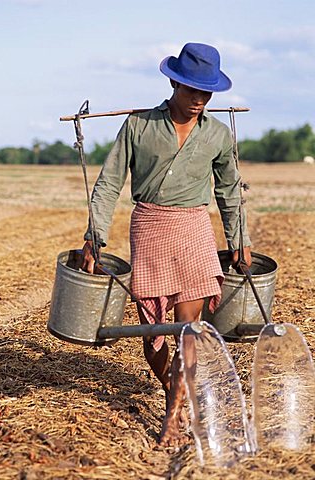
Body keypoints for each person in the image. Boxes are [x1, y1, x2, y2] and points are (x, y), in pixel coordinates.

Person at [81, 42, 252, 447]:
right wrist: (94, 235)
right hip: (150, 226)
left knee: (188, 331)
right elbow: (108, 183)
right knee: (154, 335)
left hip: (194, 227)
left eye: (206, 92)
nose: (199, 99)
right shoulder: (139, 125)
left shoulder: (217, 134)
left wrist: (239, 240)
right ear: (174, 81)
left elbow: (229, 190)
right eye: (192, 89)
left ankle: (175, 416)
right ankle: (176, 391)